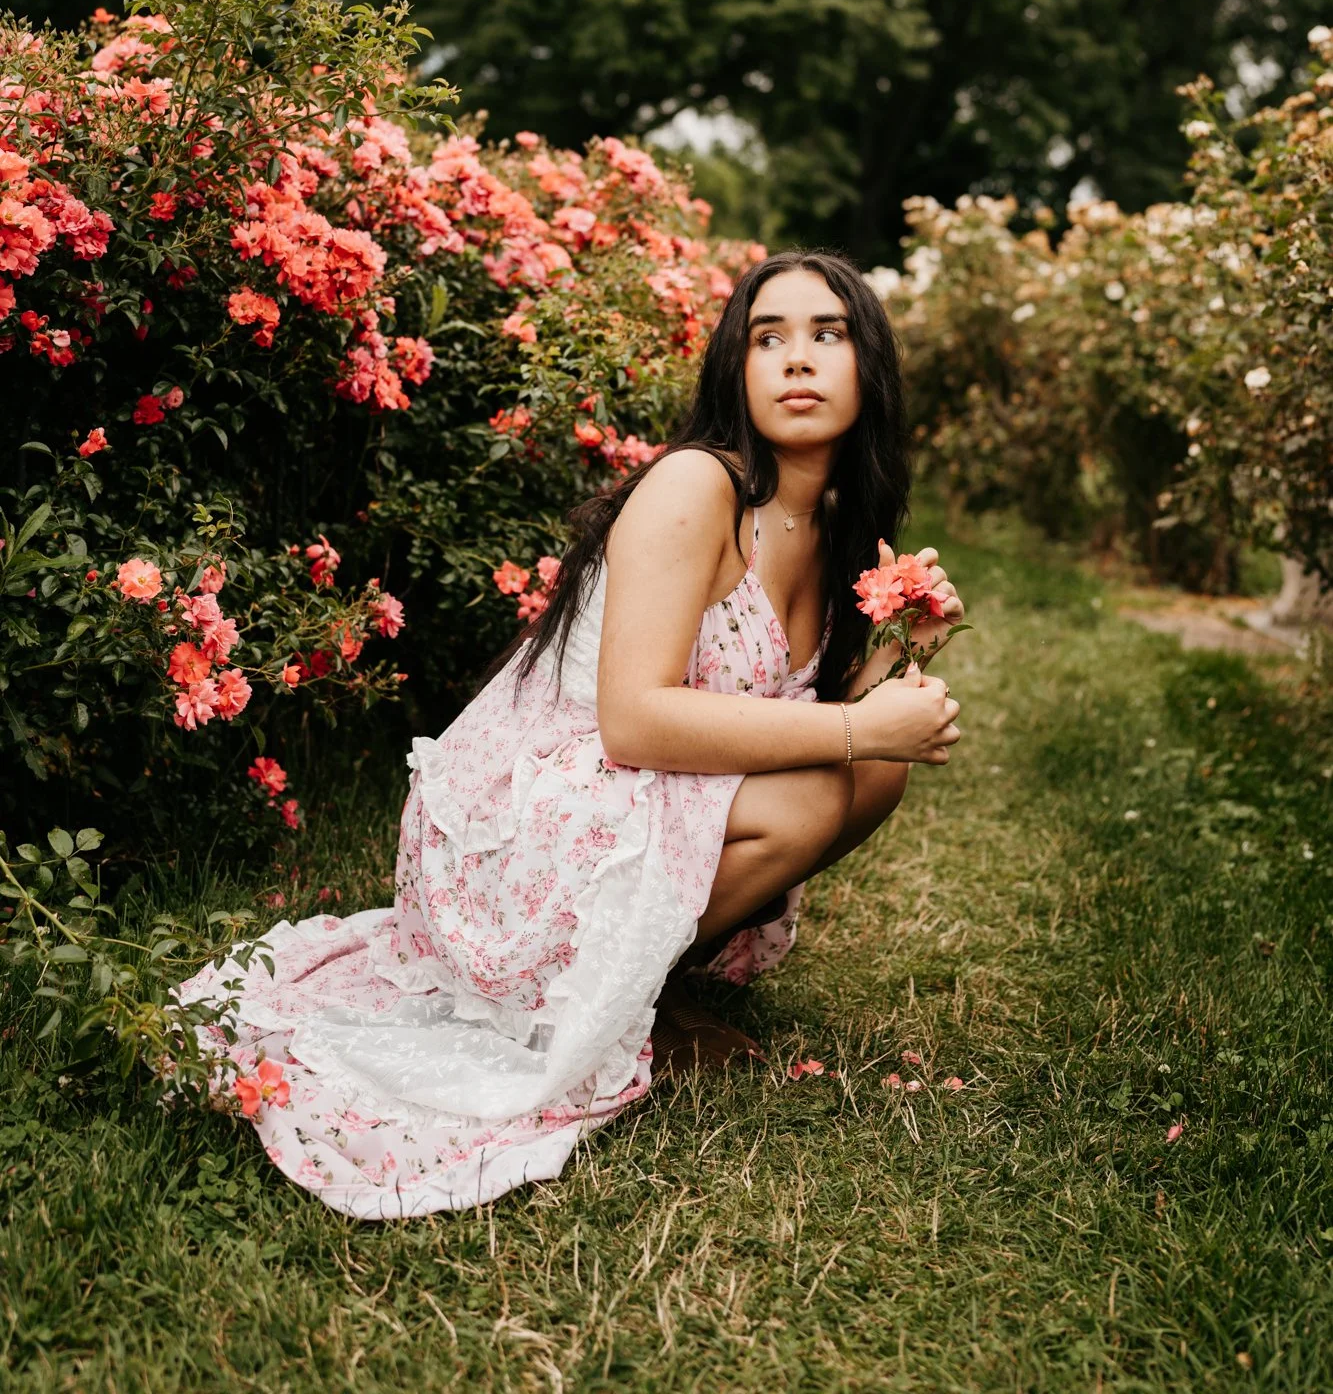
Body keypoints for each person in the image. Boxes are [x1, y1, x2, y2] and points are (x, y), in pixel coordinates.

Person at [178, 251, 963, 1218]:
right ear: (735, 369)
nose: (797, 361)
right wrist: (854, 726)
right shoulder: (697, 487)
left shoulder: (840, 522)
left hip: (628, 788)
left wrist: (900, 640)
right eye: (769, 338)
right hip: (528, 801)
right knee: (826, 775)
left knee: (867, 772)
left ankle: (638, 987)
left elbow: (859, 726)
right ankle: (627, 1005)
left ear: (867, 366)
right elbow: (633, 720)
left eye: (826, 335)